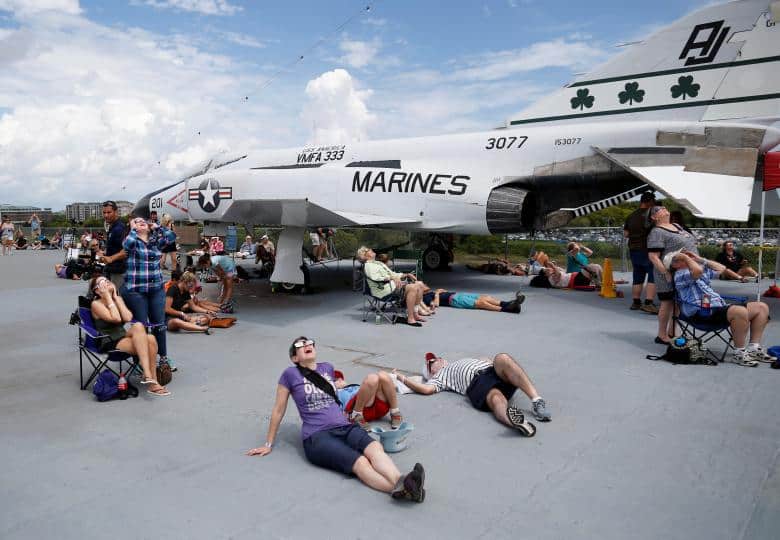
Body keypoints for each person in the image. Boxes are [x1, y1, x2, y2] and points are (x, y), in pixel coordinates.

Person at [246, 337, 427, 502]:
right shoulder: (289, 375)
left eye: (309, 343)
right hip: (317, 436)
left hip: (344, 426)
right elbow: (279, 409)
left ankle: (404, 481)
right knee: (361, 463)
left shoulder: (328, 368)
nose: (307, 345)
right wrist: (268, 444)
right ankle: (402, 488)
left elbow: (334, 396)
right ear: (295, 358)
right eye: (300, 345)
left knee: (375, 449)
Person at [394, 352, 551, 436]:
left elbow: (489, 361)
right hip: (476, 383)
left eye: (437, 358)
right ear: (432, 372)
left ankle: (537, 401)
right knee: (496, 398)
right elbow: (426, 390)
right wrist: (402, 378)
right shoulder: (440, 378)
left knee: (502, 358)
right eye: (433, 362)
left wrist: (488, 361)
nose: (438, 359)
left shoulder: (460, 361)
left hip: (491, 371)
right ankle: (516, 423)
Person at [665, 250, 771, 367]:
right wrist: (686, 258)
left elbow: (721, 269)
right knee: (739, 311)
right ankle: (739, 353)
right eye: (681, 258)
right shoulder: (680, 275)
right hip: (701, 314)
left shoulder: (695, 271)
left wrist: (700, 259)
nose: (687, 258)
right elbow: (698, 271)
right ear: (674, 264)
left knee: (761, 307)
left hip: (714, 308)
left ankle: (754, 348)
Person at [89, 275, 170, 396]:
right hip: (108, 341)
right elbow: (116, 319)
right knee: (149, 341)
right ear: (96, 290)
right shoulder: (96, 304)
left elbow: (128, 317)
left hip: (122, 337)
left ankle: (149, 376)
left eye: (107, 280)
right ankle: (151, 380)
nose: (107, 283)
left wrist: (116, 298)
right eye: (102, 282)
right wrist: (107, 297)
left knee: (140, 328)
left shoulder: (117, 299)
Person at [121, 216, 176, 371]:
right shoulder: (131, 240)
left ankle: (163, 359)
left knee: (159, 325)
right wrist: (133, 229)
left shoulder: (155, 240)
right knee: (141, 326)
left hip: (156, 289)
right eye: (137, 221)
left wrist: (157, 227)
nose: (141, 222)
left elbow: (171, 237)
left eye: (143, 221)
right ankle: (140, 361)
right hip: (137, 291)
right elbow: (127, 245)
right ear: (132, 226)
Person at [647, 205, 699, 345]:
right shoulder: (657, 232)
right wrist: (666, 273)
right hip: (669, 272)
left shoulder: (676, 226)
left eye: (664, 207)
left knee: (677, 303)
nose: (664, 208)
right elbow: (653, 256)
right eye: (658, 209)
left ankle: (672, 331)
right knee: (667, 302)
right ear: (654, 217)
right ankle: (662, 335)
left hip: (684, 271)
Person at [357, 246, 426, 327]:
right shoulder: (368, 265)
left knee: (420, 284)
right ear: (365, 256)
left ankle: (415, 313)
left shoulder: (378, 263)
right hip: (383, 291)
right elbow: (375, 278)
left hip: (391, 286)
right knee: (413, 288)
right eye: (368, 250)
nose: (371, 250)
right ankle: (410, 319)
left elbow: (393, 274)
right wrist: (391, 278)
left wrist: (407, 274)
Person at [623, 192, 659, 313]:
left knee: (637, 276)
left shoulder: (631, 215)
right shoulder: (651, 215)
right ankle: (648, 302)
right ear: (649, 201)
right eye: (653, 202)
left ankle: (636, 302)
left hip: (634, 249)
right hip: (648, 249)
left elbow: (626, 234)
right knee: (653, 275)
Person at [333, 370, 404, 430]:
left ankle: (395, 412)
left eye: (340, 378)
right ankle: (356, 416)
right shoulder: (335, 394)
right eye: (335, 380)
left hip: (377, 407)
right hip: (360, 410)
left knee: (382, 375)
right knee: (372, 378)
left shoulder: (356, 386)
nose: (339, 380)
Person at [97, 201, 128, 290]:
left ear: (116, 212)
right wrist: (104, 254)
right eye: (104, 212)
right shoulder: (112, 227)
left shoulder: (119, 228)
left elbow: (125, 251)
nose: (106, 215)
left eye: (109, 212)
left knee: (117, 298)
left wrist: (110, 258)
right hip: (111, 269)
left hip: (118, 271)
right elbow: (115, 248)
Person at [423, 288, 524, 313]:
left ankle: (509, 303)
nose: (424, 284)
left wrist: (440, 291)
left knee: (486, 297)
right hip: (453, 300)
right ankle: (508, 309)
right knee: (481, 303)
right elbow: (435, 304)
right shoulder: (426, 297)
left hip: (457, 294)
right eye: (422, 284)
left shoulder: (430, 292)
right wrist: (437, 293)